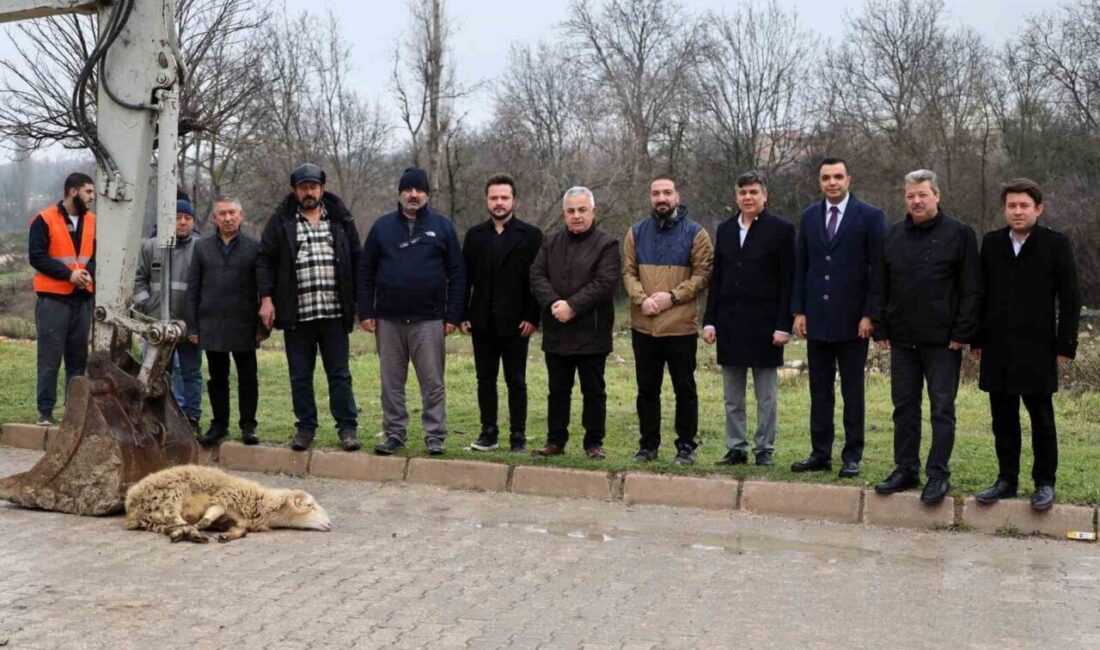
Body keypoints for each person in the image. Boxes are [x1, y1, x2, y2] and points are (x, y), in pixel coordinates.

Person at [872, 169, 980, 505]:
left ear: (937, 195)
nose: (917, 201)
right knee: (904, 407)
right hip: (902, 338)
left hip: (943, 341)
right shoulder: (892, 236)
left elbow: (971, 289)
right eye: (910, 196)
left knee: (941, 408)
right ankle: (905, 468)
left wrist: (962, 332)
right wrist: (881, 327)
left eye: (923, 194)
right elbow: (880, 285)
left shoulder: (960, 234)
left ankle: (938, 473)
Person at [972, 179, 1080, 510]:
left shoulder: (1055, 244)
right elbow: (979, 295)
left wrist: (1065, 346)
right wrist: (976, 340)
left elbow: (1071, 298)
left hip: (1039, 348)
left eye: (1024, 206)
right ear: (1004, 209)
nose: (1017, 212)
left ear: (1038, 209)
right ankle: (1006, 479)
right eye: (1011, 206)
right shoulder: (991, 244)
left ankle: (1045, 483)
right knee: (1003, 419)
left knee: (1041, 420)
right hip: (997, 348)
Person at [790, 158, 886, 479]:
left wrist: (870, 314)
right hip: (817, 318)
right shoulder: (809, 216)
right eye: (826, 177)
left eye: (838, 177)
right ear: (819, 181)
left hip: (853, 321)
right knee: (819, 390)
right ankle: (820, 452)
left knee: (852, 391)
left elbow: (879, 270)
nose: (832, 182)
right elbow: (801, 266)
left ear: (849, 179)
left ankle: (852, 454)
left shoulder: (870, 217)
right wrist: (799, 310)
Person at [359, 168, 465, 457]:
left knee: (432, 382)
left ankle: (435, 435)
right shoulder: (382, 228)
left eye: (419, 190)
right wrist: (365, 311)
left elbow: (457, 273)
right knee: (391, 383)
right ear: (400, 193)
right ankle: (394, 433)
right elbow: (366, 271)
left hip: (429, 319)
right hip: (388, 319)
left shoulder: (442, 227)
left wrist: (453, 315)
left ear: (427, 194)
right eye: (408, 190)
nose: (414, 195)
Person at [257, 163, 361, 452]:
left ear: (322, 189)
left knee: (339, 374)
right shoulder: (281, 221)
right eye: (303, 187)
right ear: (295, 191)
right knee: (300, 375)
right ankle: (305, 427)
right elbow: (265, 259)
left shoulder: (340, 219)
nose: (309, 192)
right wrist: (267, 298)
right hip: (297, 315)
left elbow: (357, 257)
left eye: (314, 187)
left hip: (334, 313)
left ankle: (347, 427)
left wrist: (360, 304)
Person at [703, 171, 795, 468]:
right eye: (743, 192)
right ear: (736, 196)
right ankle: (736, 447)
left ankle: (764, 449)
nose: (748, 197)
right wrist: (710, 320)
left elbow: (787, 281)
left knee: (766, 396)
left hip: (767, 326)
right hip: (730, 323)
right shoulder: (727, 230)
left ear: (764, 195)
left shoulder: (781, 230)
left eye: (754, 192)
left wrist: (785, 324)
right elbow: (718, 279)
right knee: (733, 396)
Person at [622, 175, 713, 465]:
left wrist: (671, 297)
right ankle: (648, 445)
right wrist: (641, 299)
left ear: (677, 195)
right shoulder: (636, 232)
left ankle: (686, 446)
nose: (661, 198)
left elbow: (703, 275)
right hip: (644, 326)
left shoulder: (696, 234)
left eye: (667, 193)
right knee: (647, 389)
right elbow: (628, 272)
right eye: (656, 193)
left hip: (680, 326)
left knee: (684, 388)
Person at [529, 186, 620, 460]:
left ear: (593, 211)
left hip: (591, 331)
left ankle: (593, 443)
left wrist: (573, 306)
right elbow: (536, 275)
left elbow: (605, 283)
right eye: (571, 211)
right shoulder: (550, 241)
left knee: (593, 391)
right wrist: (555, 303)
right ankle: (555, 441)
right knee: (557, 391)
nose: (577, 216)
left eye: (582, 210)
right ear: (563, 213)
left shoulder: (607, 244)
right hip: (557, 330)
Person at [461, 173, 543, 453]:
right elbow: (464, 278)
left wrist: (533, 316)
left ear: (514, 200)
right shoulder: (474, 236)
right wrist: (463, 313)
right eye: (494, 198)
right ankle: (488, 432)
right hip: (482, 321)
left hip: (517, 323)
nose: (499, 203)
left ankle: (517, 435)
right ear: (487, 200)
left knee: (516, 381)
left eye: (504, 197)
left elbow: (539, 280)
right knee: (485, 380)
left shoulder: (531, 236)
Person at [188, 196, 268, 447]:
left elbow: (262, 289)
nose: (228, 218)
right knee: (216, 377)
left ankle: (248, 425)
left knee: (248, 376)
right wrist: (192, 326)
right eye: (222, 213)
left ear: (241, 216)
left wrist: (261, 327)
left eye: (232, 212)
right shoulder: (202, 248)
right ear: (214, 218)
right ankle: (219, 424)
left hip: (244, 324)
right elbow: (193, 289)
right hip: (211, 323)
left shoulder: (255, 247)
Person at [28, 172, 96, 427]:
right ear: (72, 191)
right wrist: (70, 274)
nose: (92, 197)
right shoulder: (44, 220)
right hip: (53, 300)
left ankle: (73, 412)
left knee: (77, 359)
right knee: (50, 358)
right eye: (88, 192)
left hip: (82, 299)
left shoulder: (94, 222)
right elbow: (37, 257)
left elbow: (98, 255)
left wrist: (87, 273)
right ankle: (45, 412)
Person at [134, 199, 202, 430]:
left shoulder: (200, 248)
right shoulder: (150, 247)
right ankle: (157, 417)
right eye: (177, 217)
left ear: (193, 221)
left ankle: (190, 418)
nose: (182, 222)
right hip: (156, 324)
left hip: (188, 325)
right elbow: (138, 281)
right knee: (157, 372)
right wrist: (146, 308)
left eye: (187, 218)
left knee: (190, 373)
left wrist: (196, 321)